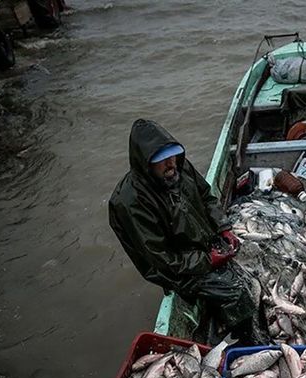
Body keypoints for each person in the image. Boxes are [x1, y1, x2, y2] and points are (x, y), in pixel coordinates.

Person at [109, 119, 255, 343]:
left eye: (173, 155)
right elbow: (161, 259)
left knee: (248, 278)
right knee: (237, 294)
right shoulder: (130, 202)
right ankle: (246, 342)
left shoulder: (180, 166)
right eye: (162, 161)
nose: (170, 164)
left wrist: (223, 227)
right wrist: (207, 260)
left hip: (201, 244)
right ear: (146, 164)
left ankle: (227, 317)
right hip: (175, 270)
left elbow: (207, 198)